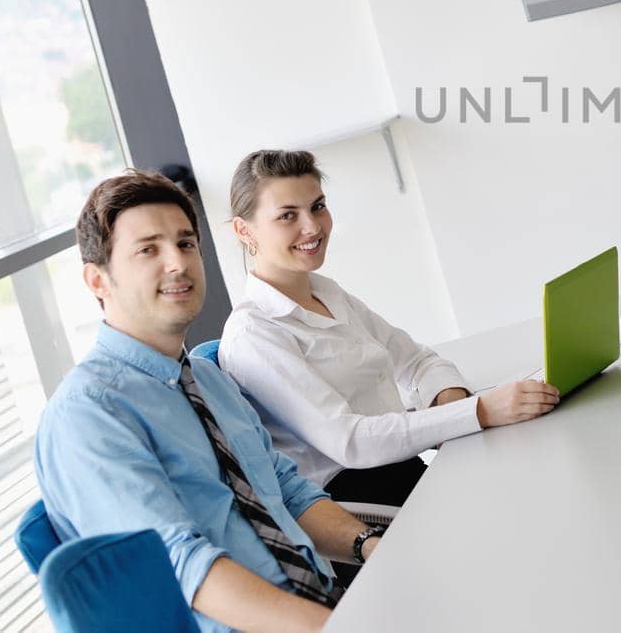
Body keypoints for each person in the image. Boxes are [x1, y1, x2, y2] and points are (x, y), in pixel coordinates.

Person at [35, 171, 378, 633]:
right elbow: (184, 567)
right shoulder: (88, 414)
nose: (177, 263)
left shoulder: (207, 377)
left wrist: (369, 546)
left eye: (186, 243)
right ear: (97, 280)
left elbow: (286, 491)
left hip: (322, 601)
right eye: (148, 250)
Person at [219, 149, 559, 511]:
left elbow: (418, 361)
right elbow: (350, 442)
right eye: (288, 215)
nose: (313, 227)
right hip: (364, 505)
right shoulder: (252, 334)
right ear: (244, 230)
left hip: (409, 470)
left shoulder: (328, 293)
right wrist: (478, 413)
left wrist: (452, 406)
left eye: (318, 206)